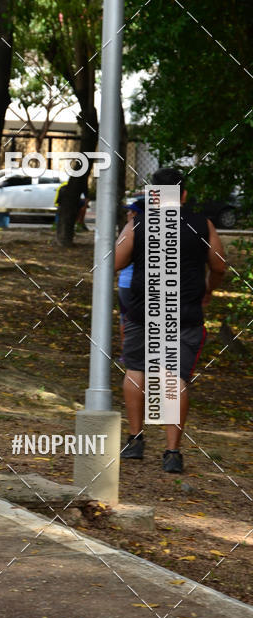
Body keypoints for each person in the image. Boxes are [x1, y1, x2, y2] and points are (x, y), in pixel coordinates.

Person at [114, 168, 226, 473]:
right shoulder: (203, 224)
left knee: (137, 369)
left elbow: (116, 261)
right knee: (174, 378)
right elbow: (219, 266)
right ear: (184, 194)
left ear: (153, 195)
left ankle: (135, 440)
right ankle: (172, 453)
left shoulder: (139, 223)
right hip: (185, 313)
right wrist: (209, 290)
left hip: (143, 311)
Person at [117, 197, 145, 349]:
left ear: (136, 214)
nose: (128, 214)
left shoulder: (131, 231)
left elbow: (116, 262)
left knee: (126, 318)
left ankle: (127, 353)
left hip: (128, 283)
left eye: (131, 211)